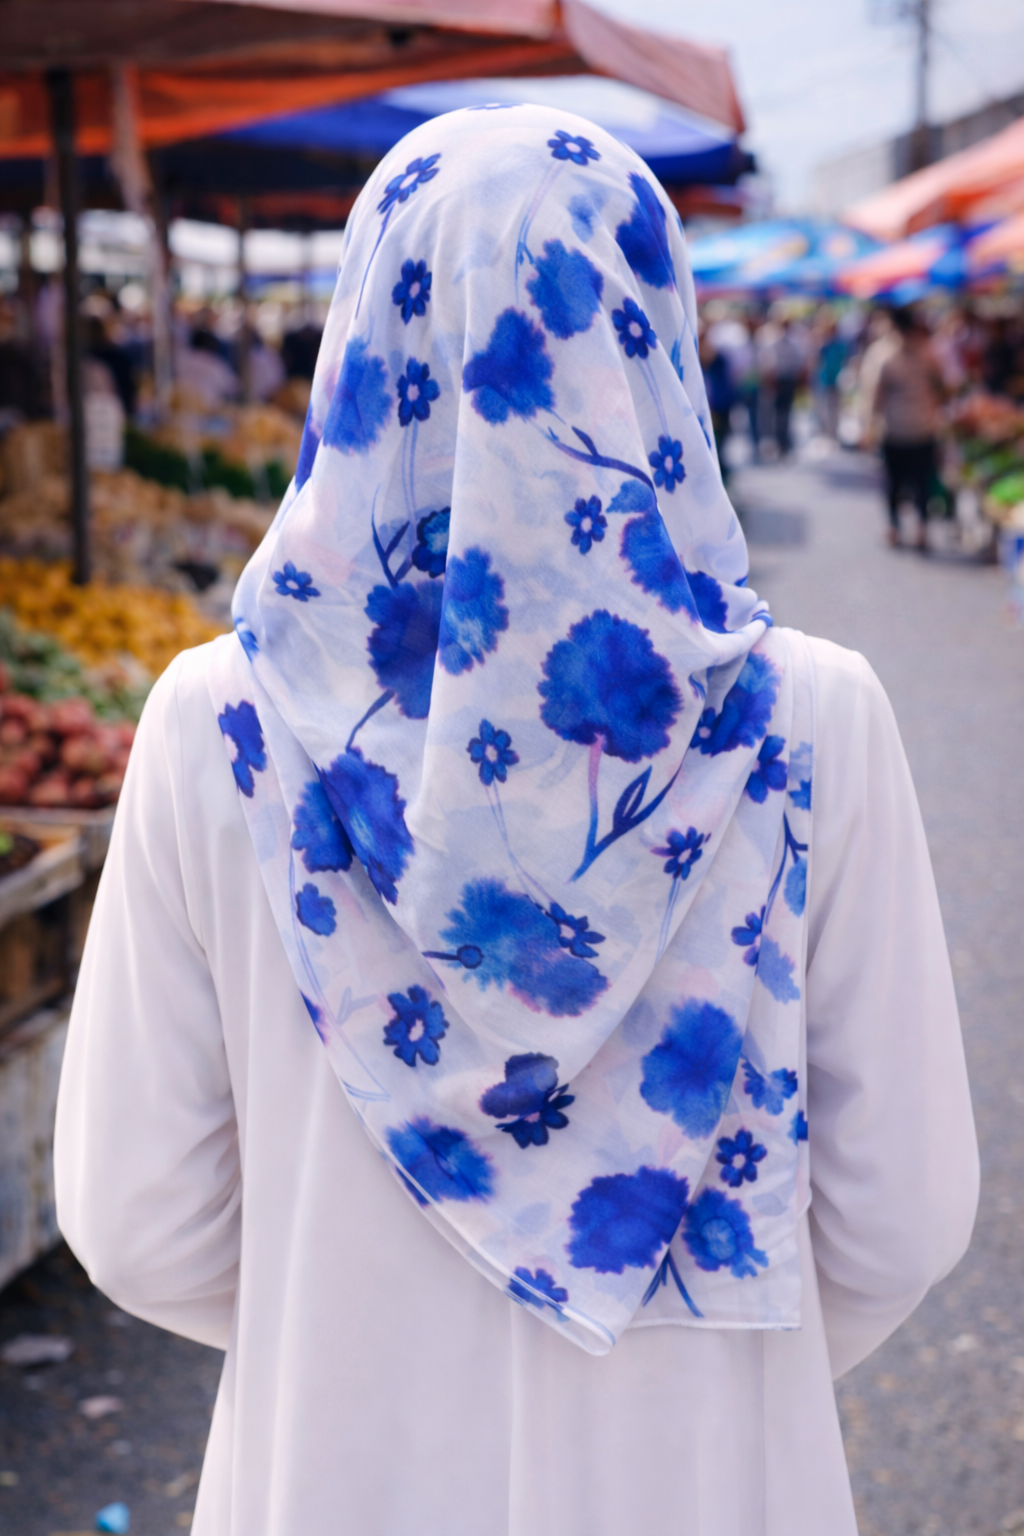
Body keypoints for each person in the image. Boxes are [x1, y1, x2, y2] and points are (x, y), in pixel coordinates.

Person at [54, 107, 977, 1536]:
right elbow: (904, 1211)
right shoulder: (813, 722)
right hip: (714, 1484)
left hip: (333, 1478)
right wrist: (713, 1353)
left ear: (362, 337)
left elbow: (135, 1220)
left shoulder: (214, 725)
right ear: (654, 331)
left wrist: (356, 1323)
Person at [870, 306, 947, 548]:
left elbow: (877, 396)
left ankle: (894, 527)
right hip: (923, 428)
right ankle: (921, 528)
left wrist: (871, 426)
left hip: (895, 429)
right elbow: (942, 389)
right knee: (922, 482)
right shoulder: (928, 354)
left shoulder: (886, 356)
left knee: (894, 482)